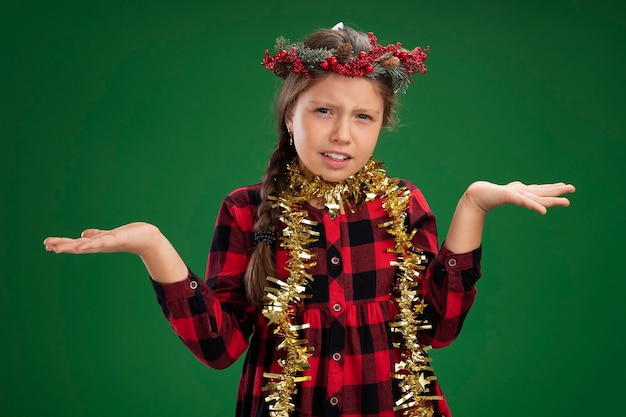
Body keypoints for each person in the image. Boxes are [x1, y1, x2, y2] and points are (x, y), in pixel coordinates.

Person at [43, 23, 575, 417]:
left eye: (362, 117)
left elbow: (439, 330)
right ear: (289, 117)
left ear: (380, 127)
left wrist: (473, 207)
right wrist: (153, 247)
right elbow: (221, 347)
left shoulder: (403, 205)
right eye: (323, 111)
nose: (342, 134)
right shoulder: (245, 210)